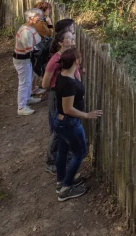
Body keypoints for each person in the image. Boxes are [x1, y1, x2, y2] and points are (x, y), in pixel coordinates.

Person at [54, 47, 102, 201]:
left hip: (60, 121)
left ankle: (61, 180)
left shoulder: (63, 76)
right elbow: (68, 108)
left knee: (62, 151)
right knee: (80, 152)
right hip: (69, 123)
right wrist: (87, 115)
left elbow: (78, 87)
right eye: (79, 57)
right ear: (76, 61)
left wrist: (78, 74)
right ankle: (66, 188)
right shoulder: (68, 84)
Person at [41, 29, 77, 174]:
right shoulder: (55, 60)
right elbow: (45, 84)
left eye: (72, 36)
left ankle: (66, 154)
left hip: (69, 95)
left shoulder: (71, 55)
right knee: (59, 129)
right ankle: (51, 161)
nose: (73, 38)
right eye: (69, 37)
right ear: (61, 42)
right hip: (58, 96)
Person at [13, 8, 43, 116]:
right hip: (22, 60)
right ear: (30, 18)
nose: (40, 18)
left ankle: (28, 98)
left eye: (40, 16)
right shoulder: (26, 31)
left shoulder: (31, 28)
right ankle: (21, 107)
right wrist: (40, 49)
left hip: (27, 60)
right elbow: (29, 49)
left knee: (29, 80)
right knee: (24, 82)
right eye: (37, 16)